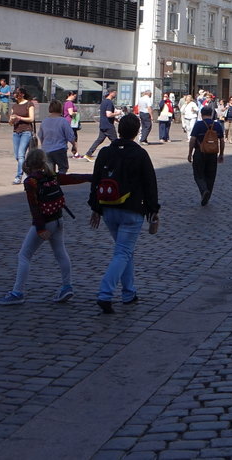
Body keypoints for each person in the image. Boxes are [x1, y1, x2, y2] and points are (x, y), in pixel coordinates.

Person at [0, 148, 93, 305]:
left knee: (24, 255)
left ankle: (18, 292)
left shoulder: (31, 182)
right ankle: (67, 286)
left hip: (46, 222)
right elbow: (72, 178)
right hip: (58, 218)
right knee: (61, 253)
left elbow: (34, 207)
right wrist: (91, 177)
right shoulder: (51, 175)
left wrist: (40, 228)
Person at [88, 114, 160, 314]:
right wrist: (153, 210)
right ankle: (105, 293)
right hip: (132, 210)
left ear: (119, 130)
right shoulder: (140, 154)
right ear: (137, 131)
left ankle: (129, 293)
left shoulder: (105, 152)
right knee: (123, 252)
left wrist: (95, 207)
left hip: (109, 209)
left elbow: (96, 181)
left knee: (125, 251)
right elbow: (150, 184)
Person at [188, 105, 226, 206]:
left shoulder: (198, 124)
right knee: (211, 176)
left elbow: (192, 140)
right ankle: (207, 194)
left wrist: (190, 153)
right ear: (212, 114)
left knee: (198, 174)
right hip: (213, 154)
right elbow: (222, 141)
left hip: (200, 153)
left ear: (201, 114)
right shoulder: (217, 125)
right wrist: (221, 154)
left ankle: (204, 190)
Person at [39, 100, 77, 174]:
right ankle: (59, 182)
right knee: (63, 168)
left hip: (46, 149)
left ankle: (51, 183)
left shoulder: (44, 121)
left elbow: (41, 135)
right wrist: (74, 145)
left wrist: (43, 145)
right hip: (60, 149)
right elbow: (70, 136)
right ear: (60, 108)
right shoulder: (63, 121)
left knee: (49, 172)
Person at [9, 88, 38, 185]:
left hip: (26, 131)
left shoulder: (29, 104)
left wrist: (19, 117)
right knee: (17, 156)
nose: (15, 96)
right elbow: (10, 122)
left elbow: (31, 118)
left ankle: (18, 176)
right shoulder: (14, 106)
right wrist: (11, 120)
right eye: (14, 94)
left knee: (21, 154)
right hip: (16, 132)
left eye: (16, 94)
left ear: (22, 94)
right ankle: (28, 172)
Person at [85, 89, 120, 158]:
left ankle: (88, 153)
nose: (116, 94)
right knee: (116, 141)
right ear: (111, 93)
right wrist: (117, 113)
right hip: (108, 125)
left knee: (99, 140)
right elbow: (108, 114)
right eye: (115, 92)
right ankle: (118, 155)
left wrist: (115, 119)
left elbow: (105, 114)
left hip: (103, 124)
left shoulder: (103, 102)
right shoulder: (109, 102)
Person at [63, 92, 83, 158]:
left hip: (67, 122)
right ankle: (75, 153)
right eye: (74, 96)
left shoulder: (65, 103)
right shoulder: (69, 103)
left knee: (67, 137)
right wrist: (77, 114)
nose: (75, 98)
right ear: (71, 95)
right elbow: (71, 113)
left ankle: (72, 152)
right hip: (71, 123)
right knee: (73, 138)